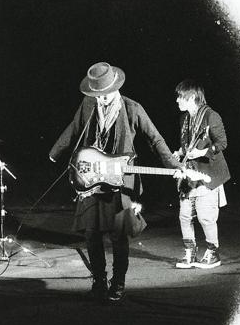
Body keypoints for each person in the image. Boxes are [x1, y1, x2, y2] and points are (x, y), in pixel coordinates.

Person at [49, 62, 181, 302]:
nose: (100, 99)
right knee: (91, 233)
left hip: (120, 180)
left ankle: (118, 283)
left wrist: (174, 166)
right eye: (96, 95)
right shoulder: (88, 104)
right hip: (93, 179)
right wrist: (55, 151)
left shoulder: (132, 108)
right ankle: (99, 280)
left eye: (104, 94)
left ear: (115, 88)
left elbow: (155, 138)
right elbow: (74, 127)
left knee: (118, 235)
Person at [173, 79, 230, 269]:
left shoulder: (211, 116)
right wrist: (180, 152)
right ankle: (190, 252)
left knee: (205, 216)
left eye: (180, 97)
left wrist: (202, 152)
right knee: (184, 215)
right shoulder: (184, 119)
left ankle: (213, 253)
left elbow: (222, 143)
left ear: (191, 97)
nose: (177, 100)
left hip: (207, 173)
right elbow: (187, 145)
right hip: (190, 173)